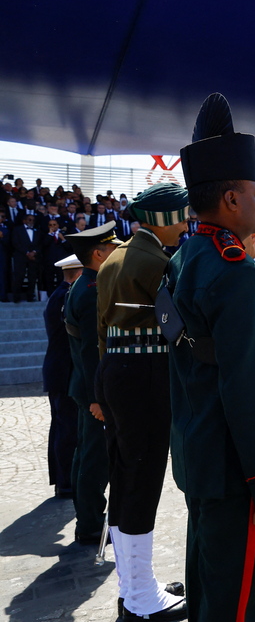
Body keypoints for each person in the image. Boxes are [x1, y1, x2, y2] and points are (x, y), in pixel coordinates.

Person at [167, 93, 255, 622]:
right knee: (236, 604)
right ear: (233, 200)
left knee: (207, 590)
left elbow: (173, 339)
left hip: (197, 455)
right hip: (235, 469)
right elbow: (247, 387)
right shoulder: (236, 274)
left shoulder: (181, 258)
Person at [95, 183, 190, 621]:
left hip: (115, 371)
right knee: (143, 479)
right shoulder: (156, 261)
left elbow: (101, 331)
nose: (186, 221)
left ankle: (135, 585)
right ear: (162, 220)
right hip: (147, 377)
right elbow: (176, 328)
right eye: (181, 215)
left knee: (125, 476)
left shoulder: (113, 257)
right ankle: (140, 599)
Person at [64, 222, 122, 544]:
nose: (117, 251)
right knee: (94, 459)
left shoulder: (88, 285)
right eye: (112, 247)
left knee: (86, 455)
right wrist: (97, 399)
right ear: (99, 254)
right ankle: (89, 524)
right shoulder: (90, 293)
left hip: (85, 388)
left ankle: (86, 519)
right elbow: (90, 353)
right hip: (91, 392)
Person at [42, 253, 83, 499]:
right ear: (77, 274)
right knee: (67, 429)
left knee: (62, 427)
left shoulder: (59, 295)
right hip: (63, 371)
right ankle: (66, 481)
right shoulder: (65, 297)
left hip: (60, 370)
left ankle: (62, 479)